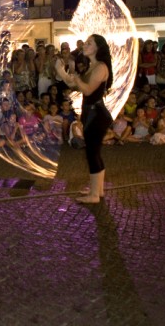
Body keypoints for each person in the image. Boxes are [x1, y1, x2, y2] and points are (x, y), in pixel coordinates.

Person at [55, 34, 113, 204]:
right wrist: (61, 71)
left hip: (97, 114)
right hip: (91, 113)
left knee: (92, 152)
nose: (85, 45)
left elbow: (87, 90)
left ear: (98, 48)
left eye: (89, 43)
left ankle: (94, 195)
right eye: (85, 43)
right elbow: (74, 84)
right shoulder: (91, 66)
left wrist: (76, 77)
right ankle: (98, 191)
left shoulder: (101, 67)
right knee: (93, 152)